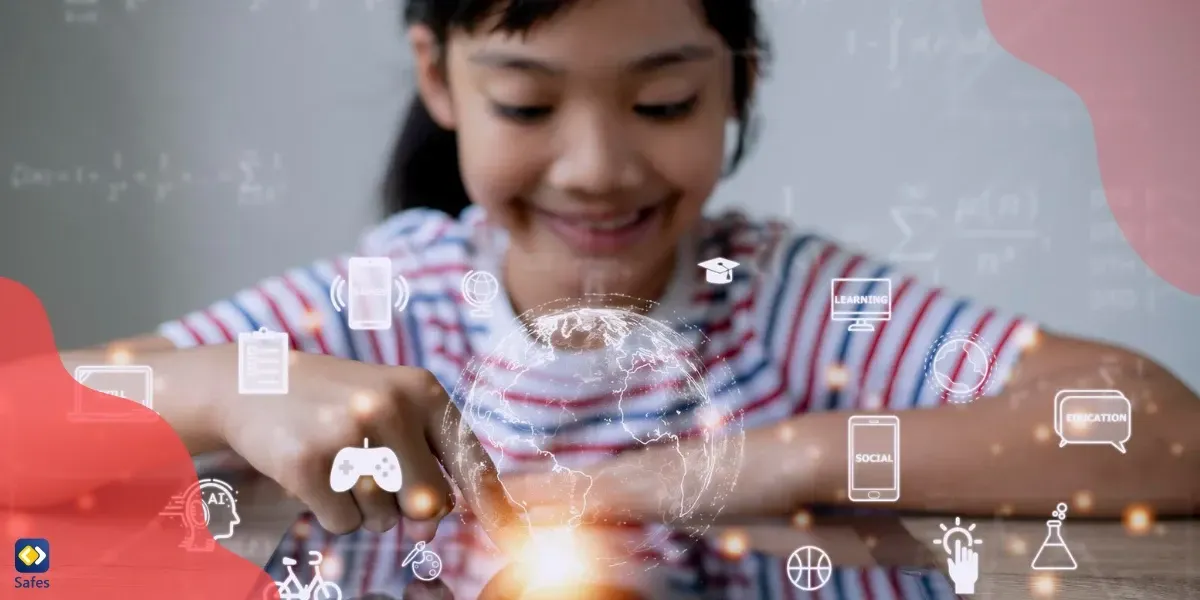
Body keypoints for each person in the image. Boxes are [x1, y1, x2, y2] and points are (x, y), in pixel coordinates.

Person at [48, 0, 1200, 597]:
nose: (597, 167)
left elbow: (1161, 430)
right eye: (528, 104)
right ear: (439, 79)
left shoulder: (785, 307)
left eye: (660, 103)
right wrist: (232, 389)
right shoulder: (387, 310)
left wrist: (773, 462)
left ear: (736, 85)